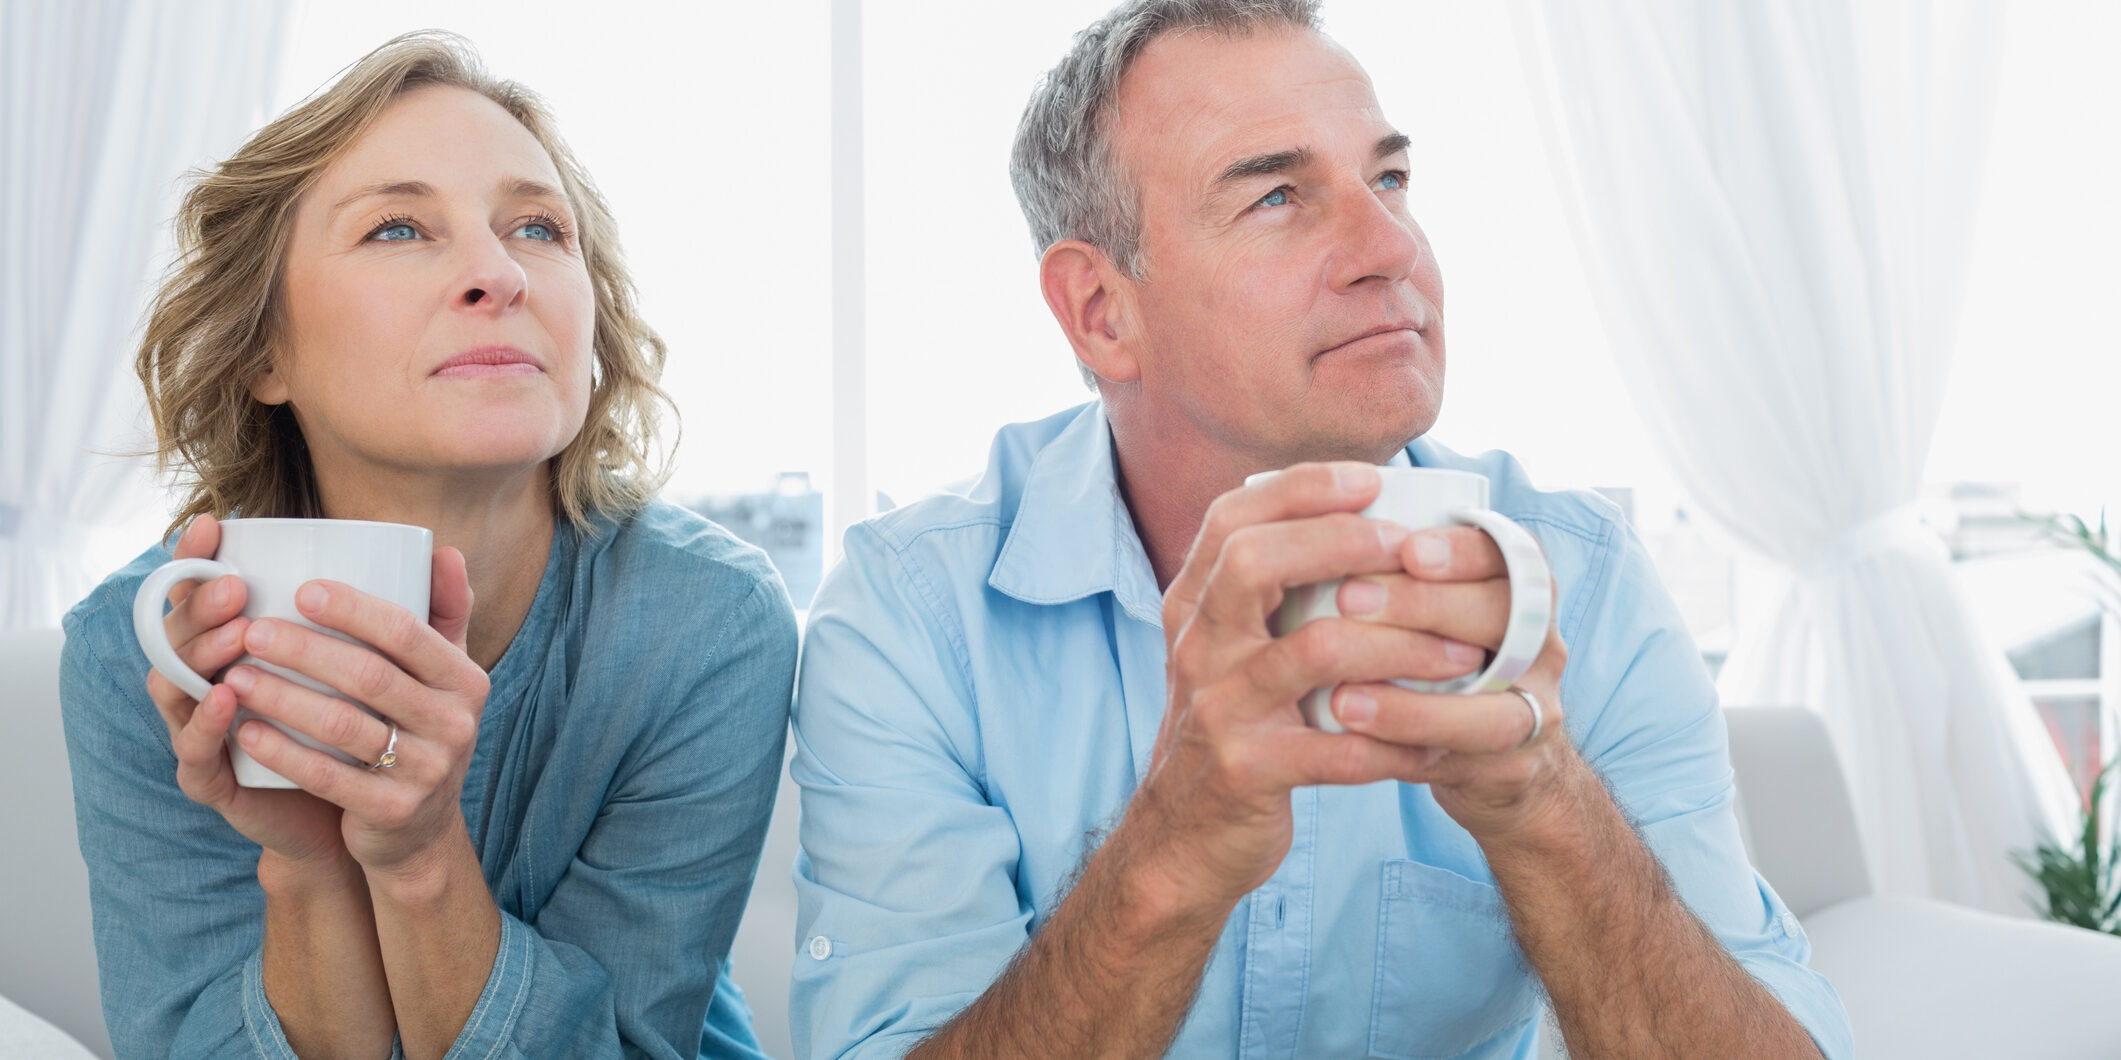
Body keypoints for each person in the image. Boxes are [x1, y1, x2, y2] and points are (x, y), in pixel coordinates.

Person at [788, 2, 1851, 1057]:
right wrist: (1176, 844)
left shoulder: (1587, 578)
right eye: (1280, 196)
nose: (1391, 247)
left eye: (1389, 179)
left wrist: (1545, 806)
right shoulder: (912, 615)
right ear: (1103, 311)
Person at [60, 33, 795, 1060]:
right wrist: (311, 866)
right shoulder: (140, 648)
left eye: (539, 227)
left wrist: (415, 859)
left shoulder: (704, 622)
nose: (498, 274)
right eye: (400, 228)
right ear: (264, 348)